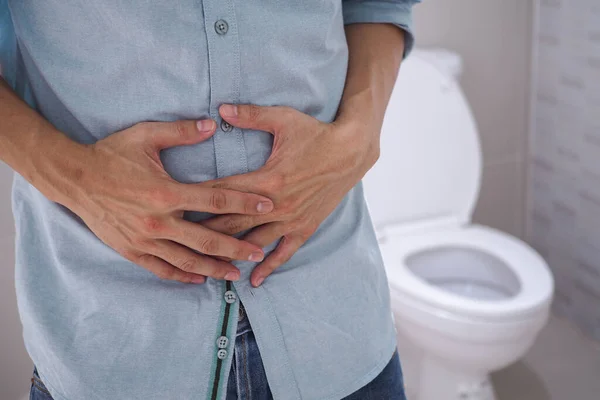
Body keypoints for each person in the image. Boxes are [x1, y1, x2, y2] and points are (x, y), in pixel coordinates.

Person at [0, 1, 420, 399]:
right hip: (111, 341)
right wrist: (78, 179)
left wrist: (359, 135)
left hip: (337, 327)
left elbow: (377, 5)